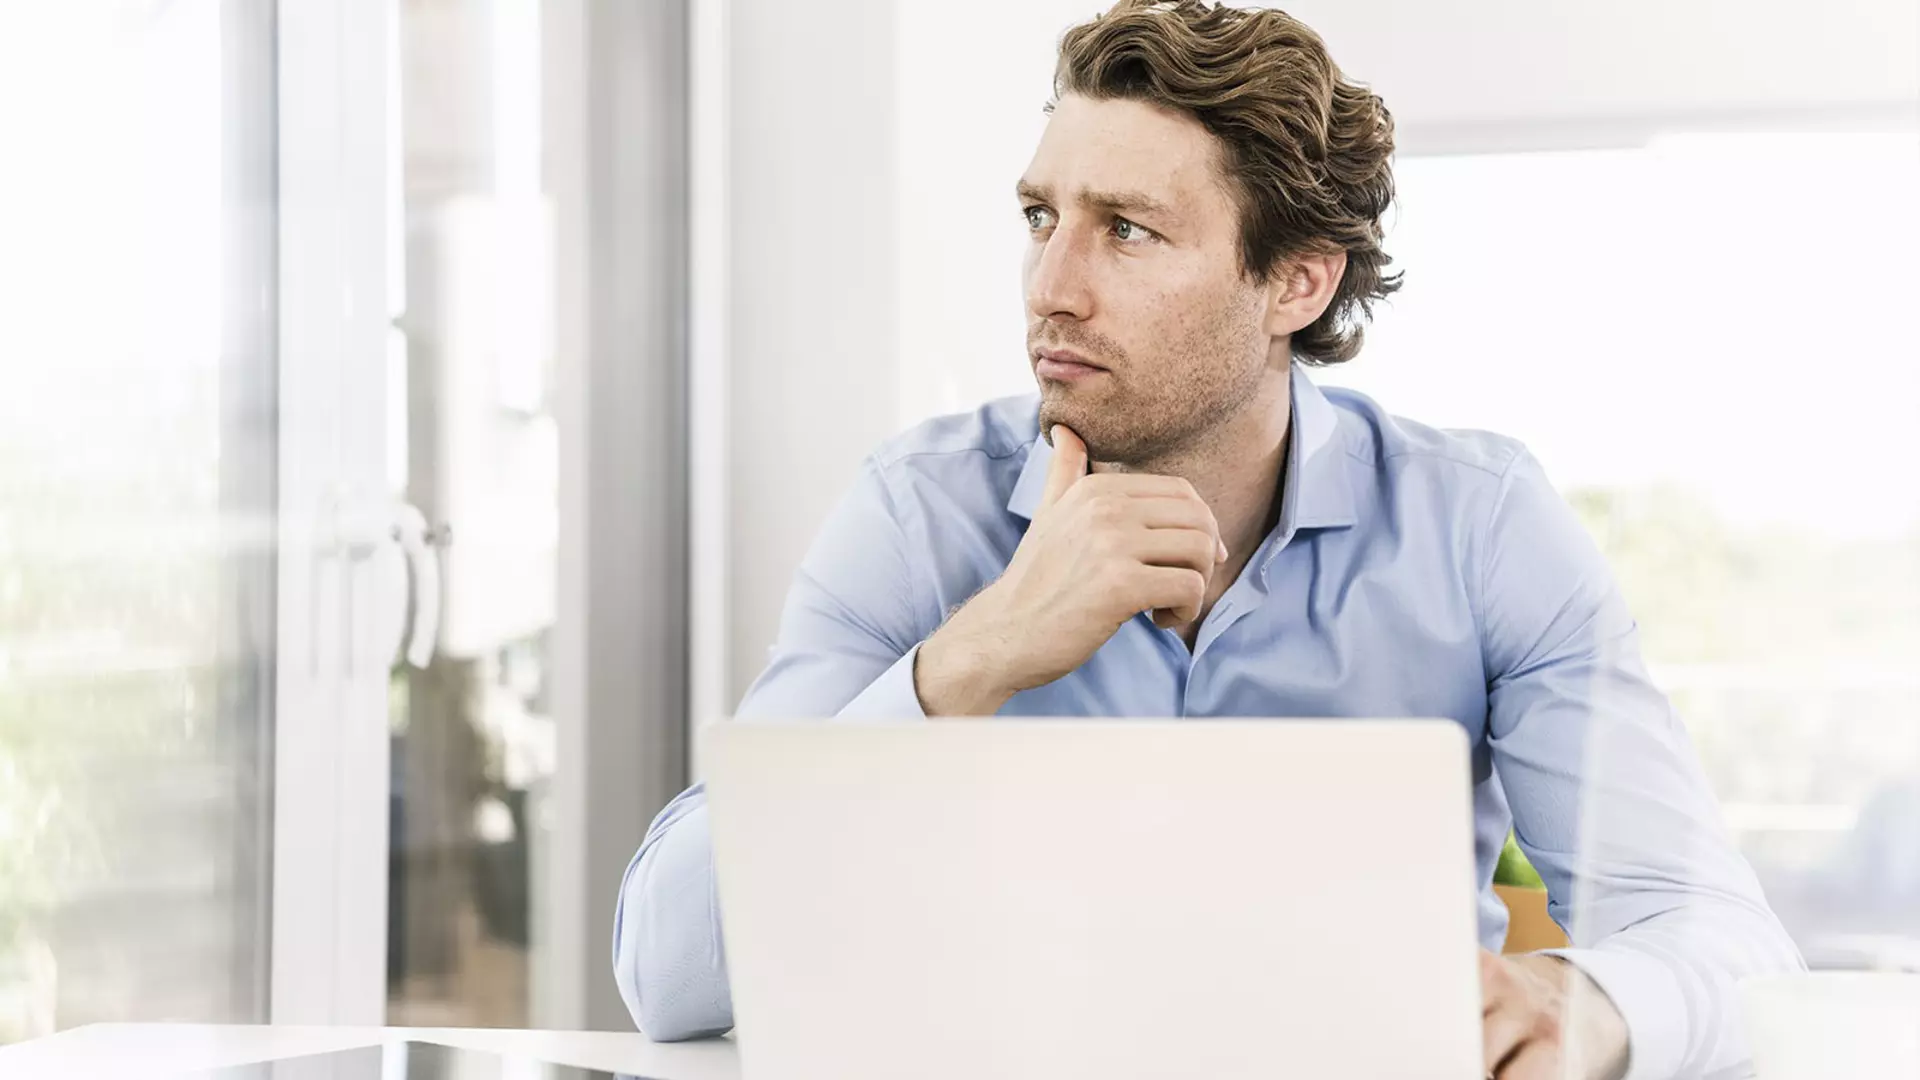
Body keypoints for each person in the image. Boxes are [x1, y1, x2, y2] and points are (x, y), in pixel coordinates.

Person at [612, 2, 1803, 1076]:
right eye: (1042, 216)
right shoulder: (919, 513)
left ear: (1295, 283)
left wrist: (1588, 1008)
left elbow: (1720, 937)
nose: (1050, 287)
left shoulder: (1480, 525)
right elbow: (667, 974)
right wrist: (968, 661)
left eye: (1127, 231)